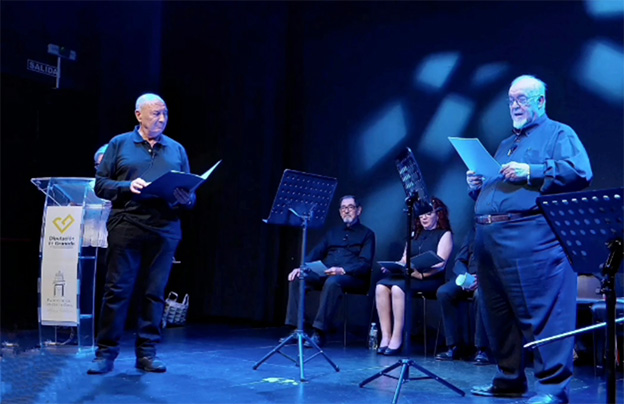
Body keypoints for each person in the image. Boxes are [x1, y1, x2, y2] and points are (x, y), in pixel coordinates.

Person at [467, 75, 592, 404]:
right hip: (490, 238)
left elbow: (580, 171)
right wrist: (478, 185)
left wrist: (532, 171)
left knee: (545, 314)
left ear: (541, 101)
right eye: (511, 100)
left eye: (522, 99)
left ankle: (553, 389)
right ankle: (509, 378)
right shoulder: (506, 144)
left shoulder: (559, 133)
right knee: (498, 313)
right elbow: (499, 191)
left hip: (531, 238)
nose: (515, 105)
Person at [88, 93, 196, 375]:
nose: (161, 118)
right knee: (118, 290)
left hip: (165, 226)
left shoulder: (176, 149)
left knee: (154, 292)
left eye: (165, 113)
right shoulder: (120, 143)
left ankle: (147, 352)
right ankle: (105, 353)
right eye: (155, 113)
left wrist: (187, 199)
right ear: (139, 115)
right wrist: (127, 187)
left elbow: (190, 192)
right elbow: (100, 185)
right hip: (127, 223)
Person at [284, 195, 376, 348]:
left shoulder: (367, 234)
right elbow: (315, 253)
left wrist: (342, 270)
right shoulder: (333, 233)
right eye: (343, 208)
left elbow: (365, 264)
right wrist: (301, 267)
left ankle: (319, 331)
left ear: (359, 210)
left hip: (352, 277)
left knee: (333, 281)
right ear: (340, 212)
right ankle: (297, 328)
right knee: (299, 278)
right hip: (327, 273)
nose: (346, 211)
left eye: (350, 207)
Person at [375, 197, 453, 356]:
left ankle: (397, 338)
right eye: (421, 215)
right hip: (411, 275)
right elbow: (405, 258)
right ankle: (386, 336)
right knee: (381, 286)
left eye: (428, 214)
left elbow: (440, 264)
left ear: (438, 214)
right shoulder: (415, 234)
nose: (424, 218)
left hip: (430, 278)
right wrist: (394, 266)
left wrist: (422, 275)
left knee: (398, 288)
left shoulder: (444, 234)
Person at [435, 225, 489, 365]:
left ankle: (482, 349)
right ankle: (454, 346)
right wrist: (465, 277)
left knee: (480, 295)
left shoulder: (500, 230)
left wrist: (481, 278)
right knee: (444, 292)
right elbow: (460, 259)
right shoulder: (473, 230)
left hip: (488, 278)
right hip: (468, 275)